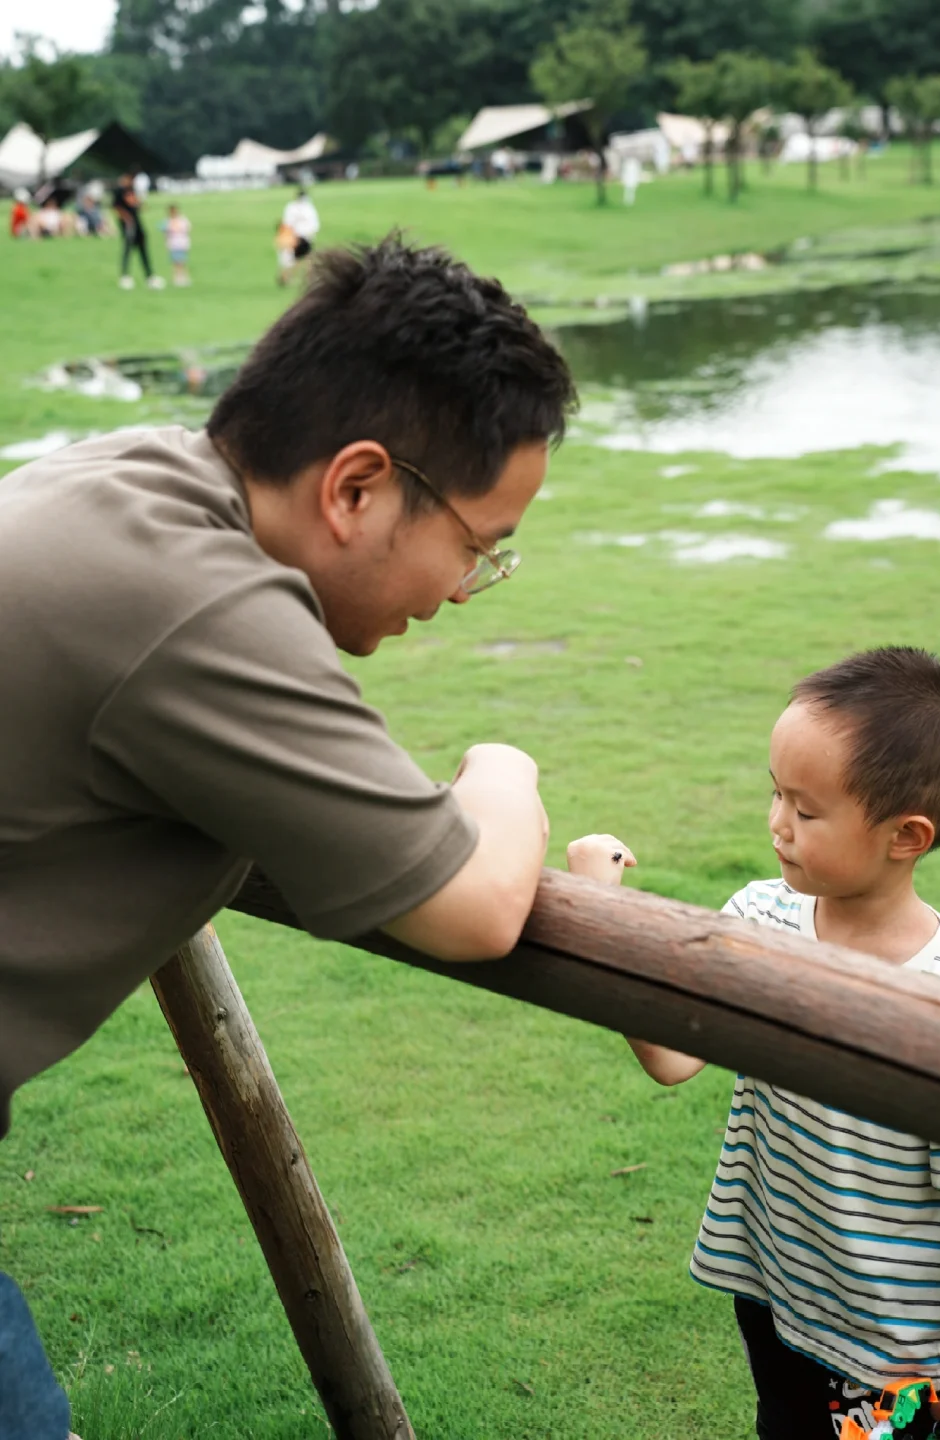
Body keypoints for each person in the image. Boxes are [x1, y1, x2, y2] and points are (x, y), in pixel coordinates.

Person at [0, 234, 576, 1438]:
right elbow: (474, 904)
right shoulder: (198, 602)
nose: (465, 590)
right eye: (476, 546)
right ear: (357, 487)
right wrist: (503, 768)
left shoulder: (128, 476)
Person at [569, 647, 940, 1440]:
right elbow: (674, 1058)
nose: (777, 823)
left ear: (905, 835)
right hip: (775, 1286)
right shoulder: (762, 918)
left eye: (807, 810)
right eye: (775, 793)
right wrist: (598, 912)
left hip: (886, 1343)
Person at [112, 172, 163, 290]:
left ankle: (149, 276)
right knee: (127, 250)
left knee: (143, 250)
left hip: (137, 223)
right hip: (128, 225)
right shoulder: (119, 192)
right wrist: (126, 218)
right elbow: (116, 207)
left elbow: (137, 204)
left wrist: (140, 204)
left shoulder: (132, 190)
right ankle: (125, 276)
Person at [282, 187, 320, 272]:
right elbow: (288, 223)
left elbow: (314, 224)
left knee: (308, 258)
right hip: (295, 238)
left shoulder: (308, 207)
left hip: (306, 237)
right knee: (291, 259)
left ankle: (309, 273)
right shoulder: (291, 207)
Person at [161, 202, 192, 285]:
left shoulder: (182, 220)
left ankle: (184, 277)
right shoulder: (167, 221)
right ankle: (177, 278)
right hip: (173, 244)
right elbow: (163, 230)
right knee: (175, 262)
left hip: (181, 243)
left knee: (182, 261)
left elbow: (187, 228)